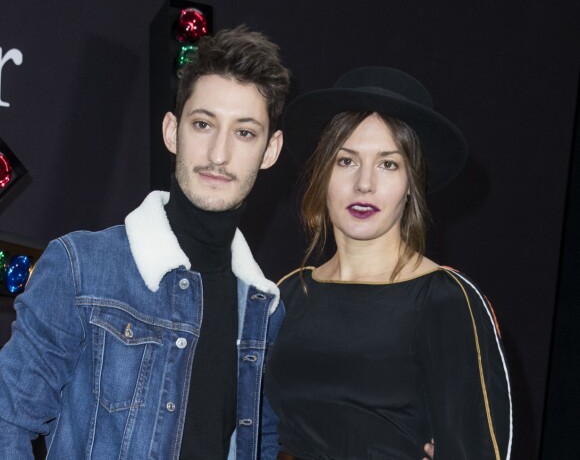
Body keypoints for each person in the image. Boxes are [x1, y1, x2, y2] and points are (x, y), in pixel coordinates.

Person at [0, 26, 291, 459]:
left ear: (271, 150)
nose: (218, 154)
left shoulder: (264, 308)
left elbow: (262, 444)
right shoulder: (82, 268)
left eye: (245, 132)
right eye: (203, 124)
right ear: (172, 131)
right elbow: (8, 423)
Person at [265, 67, 513, 459]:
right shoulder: (287, 293)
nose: (365, 183)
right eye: (346, 161)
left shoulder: (446, 299)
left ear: (412, 184)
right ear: (322, 174)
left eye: (388, 164)